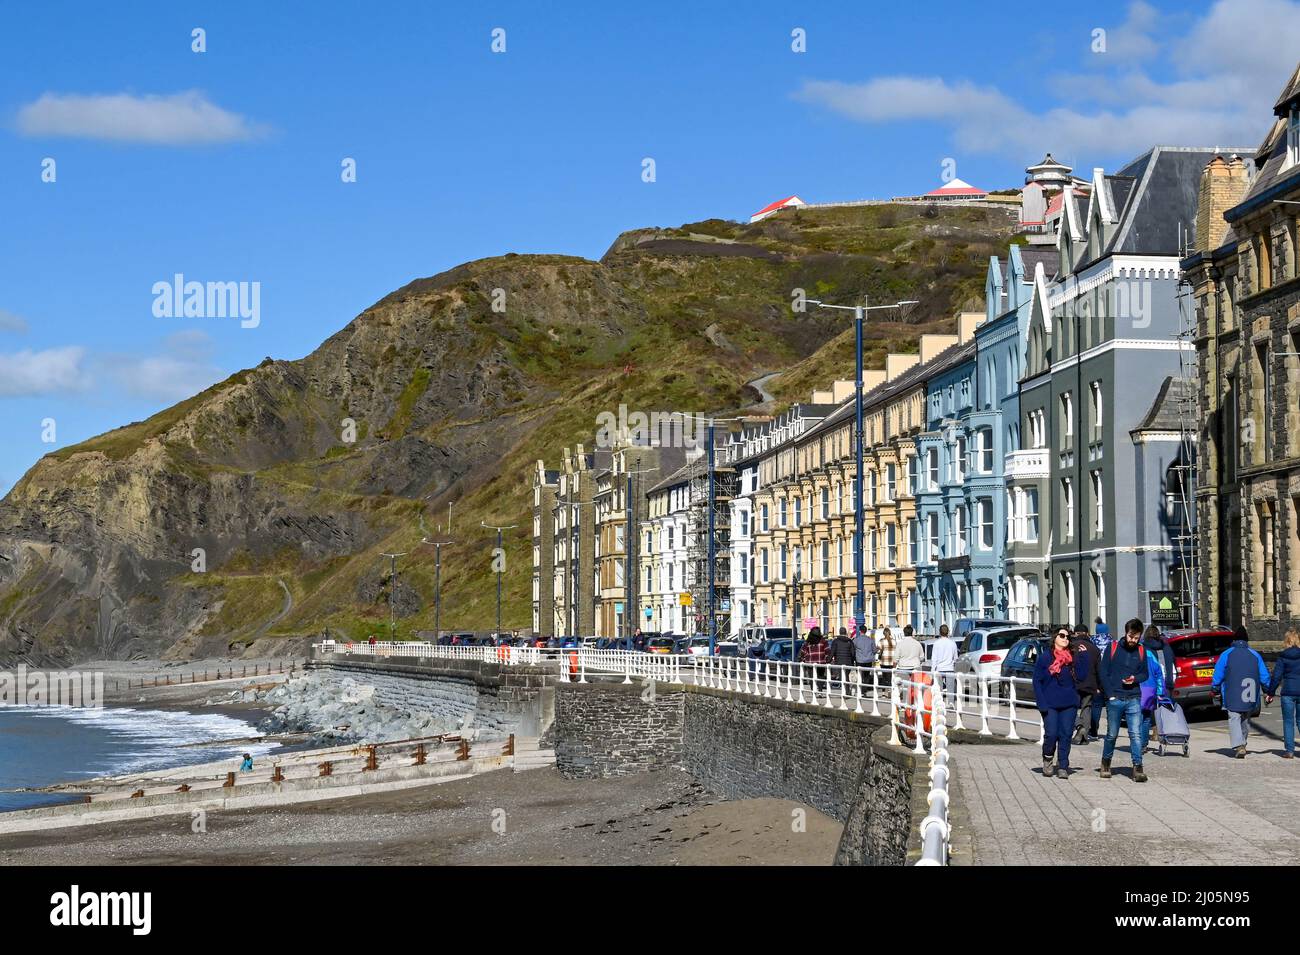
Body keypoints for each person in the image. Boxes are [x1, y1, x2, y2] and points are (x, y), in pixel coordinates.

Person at [1099, 618, 1150, 782]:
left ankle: (1138, 767)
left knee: (1135, 735)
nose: (1133, 641)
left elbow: (1145, 674)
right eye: (1131, 636)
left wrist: (1135, 679)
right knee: (1112, 734)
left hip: (1133, 697)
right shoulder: (1112, 647)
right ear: (1125, 633)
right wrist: (1110, 695)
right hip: (1115, 698)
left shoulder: (1141, 651)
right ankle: (1106, 763)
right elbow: (1103, 671)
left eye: (1136, 638)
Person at [1034, 627, 1089, 779]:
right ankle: (1048, 758)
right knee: (1051, 734)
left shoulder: (1073, 658)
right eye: (1062, 635)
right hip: (1050, 703)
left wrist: (1083, 656)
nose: (1065, 638)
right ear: (1055, 638)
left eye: (1068, 636)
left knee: (1065, 734)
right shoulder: (1045, 658)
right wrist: (1041, 703)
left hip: (1069, 703)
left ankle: (1063, 765)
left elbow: (1082, 676)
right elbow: (1037, 681)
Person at [1212, 625, 1270, 758]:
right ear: (1246, 640)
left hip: (1232, 693)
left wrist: (1215, 688)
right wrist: (1267, 690)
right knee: (1245, 719)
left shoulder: (1226, 654)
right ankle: (1243, 742)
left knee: (1234, 717)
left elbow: (1218, 674)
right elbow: (1264, 676)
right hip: (1250, 694)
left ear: (1234, 640)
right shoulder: (1255, 655)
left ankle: (1239, 745)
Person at [1266, 628, 1300, 759]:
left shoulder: (1283, 656)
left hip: (1288, 693)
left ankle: (1290, 751)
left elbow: (1276, 677)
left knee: (1288, 721)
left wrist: (1270, 693)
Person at [1068, 627, 1102, 744]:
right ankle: (1084, 736)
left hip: (1073, 682)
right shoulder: (1095, 649)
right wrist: (1099, 686)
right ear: (1087, 634)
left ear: (1076, 633)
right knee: (1086, 708)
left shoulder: (1071, 647)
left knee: (1070, 706)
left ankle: (1079, 726)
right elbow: (1099, 670)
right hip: (1090, 683)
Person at [930, 624, 959, 703]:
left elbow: (934, 659)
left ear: (939, 632)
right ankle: (951, 703)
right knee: (950, 688)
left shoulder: (936, 643)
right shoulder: (953, 643)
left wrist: (932, 671)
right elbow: (956, 658)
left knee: (939, 688)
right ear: (948, 632)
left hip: (939, 668)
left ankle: (940, 703)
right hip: (949, 668)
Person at [798, 627, 829, 692]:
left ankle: (813, 691)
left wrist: (803, 659)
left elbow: (803, 651)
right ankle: (820, 691)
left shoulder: (808, 641)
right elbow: (827, 651)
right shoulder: (823, 641)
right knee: (820, 677)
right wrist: (827, 660)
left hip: (810, 662)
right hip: (821, 662)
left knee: (812, 677)